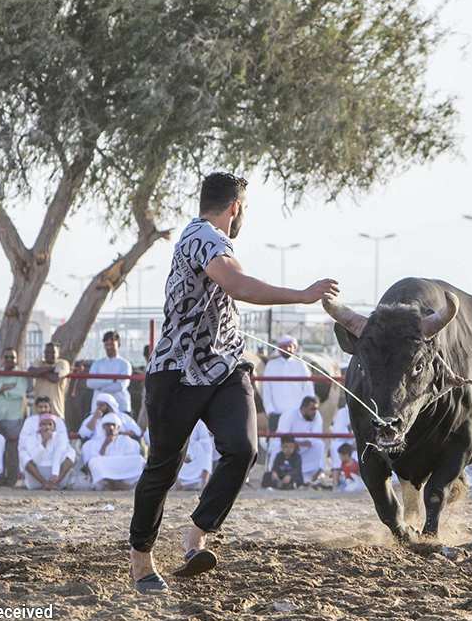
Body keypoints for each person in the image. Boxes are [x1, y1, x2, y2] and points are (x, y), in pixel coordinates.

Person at [129, 171, 339, 593]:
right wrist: (302, 294)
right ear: (235, 208)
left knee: (243, 449)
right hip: (176, 372)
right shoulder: (205, 236)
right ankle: (141, 561)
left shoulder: (208, 239)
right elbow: (236, 283)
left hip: (224, 369)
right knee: (162, 469)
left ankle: (196, 535)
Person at [0, 348, 29, 487]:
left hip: (14, 416)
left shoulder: (20, 374)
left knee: (12, 448)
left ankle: (12, 478)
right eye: (7, 357)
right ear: (2, 358)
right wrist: (7, 387)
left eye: (12, 357)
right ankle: (1, 476)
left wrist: (0, 389)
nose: (10, 359)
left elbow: (20, 391)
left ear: (16, 359)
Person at [260, 335, 315, 434]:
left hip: (297, 413)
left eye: (290, 346)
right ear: (279, 348)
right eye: (284, 346)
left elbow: (308, 389)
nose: (287, 349)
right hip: (276, 413)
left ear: (295, 348)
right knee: (275, 444)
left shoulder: (301, 365)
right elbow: (266, 390)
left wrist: (304, 410)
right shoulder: (271, 365)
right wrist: (270, 411)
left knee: (297, 442)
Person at [79, 392, 143, 468]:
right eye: (98, 405)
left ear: (109, 406)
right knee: (87, 447)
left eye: (101, 405)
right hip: (99, 444)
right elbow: (83, 434)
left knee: (133, 445)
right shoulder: (93, 417)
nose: (98, 408)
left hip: (120, 444)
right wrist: (94, 418)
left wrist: (118, 434)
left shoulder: (123, 417)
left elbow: (137, 432)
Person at [272, 396, 326, 483]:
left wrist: (299, 444)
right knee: (275, 445)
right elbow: (283, 436)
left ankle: (312, 474)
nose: (315, 412)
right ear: (303, 408)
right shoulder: (289, 414)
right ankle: (274, 474)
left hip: (303, 446)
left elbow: (315, 437)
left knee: (319, 444)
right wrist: (294, 444)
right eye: (312, 409)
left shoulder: (317, 416)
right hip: (287, 444)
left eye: (316, 409)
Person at [20, 413, 76, 490]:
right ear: (39, 426)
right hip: (36, 478)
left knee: (71, 452)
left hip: (56, 477)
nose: (47, 427)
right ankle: (44, 483)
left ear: (54, 427)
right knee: (23, 455)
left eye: (50, 424)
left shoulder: (59, 438)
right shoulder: (32, 438)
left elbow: (58, 455)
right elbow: (36, 458)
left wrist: (55, 474)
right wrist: (43, 442)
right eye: (44, 424)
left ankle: (53, 485)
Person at [88, 414, 144, 491]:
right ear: (103, 427)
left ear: (118, 427)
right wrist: (105, 445)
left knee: (140, 460)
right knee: (93, 462)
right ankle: (119, 485)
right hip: (107, 468)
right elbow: (97, 458)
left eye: (113, 425)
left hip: (122, 467)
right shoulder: (96, 441)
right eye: (108, 425)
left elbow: (130, 457)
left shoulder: (126, 440)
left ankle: (115, 485)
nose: (111, 428)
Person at [88, 331, 133, 414]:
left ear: (118, 344)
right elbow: (90, 383)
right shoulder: (97, 363)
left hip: (121, 407)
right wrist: (112, 380)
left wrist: (100, 388)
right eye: (106, 345)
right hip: (98, 409)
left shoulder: (125, 364)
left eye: (112, 344)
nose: (109, 347)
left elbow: (121, 386)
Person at [29, 342, 71, 418]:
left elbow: (54, 378)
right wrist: (50, 369)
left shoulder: (62, 363)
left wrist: (40, 372)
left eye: (53, 352)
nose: (49, 354)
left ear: (58, 353)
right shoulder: (39, 362)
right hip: (38, 412)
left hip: (56, 412)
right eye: (47, 352)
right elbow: (31, 372)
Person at [177, 420, 214, 490]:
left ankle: (204, 484)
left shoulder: (200, 424)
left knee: (206, 447)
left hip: (198, 458)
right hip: (182, 450)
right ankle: (177, 483)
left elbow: (206, 444)